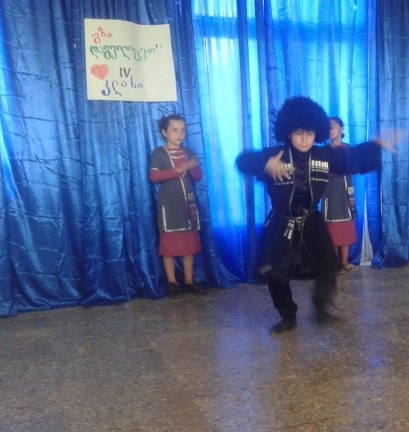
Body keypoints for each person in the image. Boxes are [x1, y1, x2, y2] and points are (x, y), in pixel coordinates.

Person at [236, 96, 383, 335]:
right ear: (288, 132)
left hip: (312, 220)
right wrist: (265, 166)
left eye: (310, 133)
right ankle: (288, 315)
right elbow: (243, 161)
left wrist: (375, 146)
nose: (305, 139)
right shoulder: (275, 154)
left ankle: (321, 307)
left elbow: (352, 159)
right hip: (281, 222)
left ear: (317, 133)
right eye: (299, 133)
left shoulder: (325, 155)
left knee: (329, 265)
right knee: (274, 273)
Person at [149, 114, 204, 295]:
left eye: (182, 130)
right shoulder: (159, 153)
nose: (179, 134)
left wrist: (192, 168)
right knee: (169, 245)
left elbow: (197, 177)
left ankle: (189, 281)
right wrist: (181, 168)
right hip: (169, 205)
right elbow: (154, 177)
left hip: (187, 204)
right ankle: (171, 282)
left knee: (189, 243)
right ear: (164, 132)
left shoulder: (188, 153)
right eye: (174, 130)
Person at [322, 116, 359, 273]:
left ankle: (345, 262)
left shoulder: (349, 149)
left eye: (334, 126)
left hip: (346, 192)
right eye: (328, 127)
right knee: (333, 229)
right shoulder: (324, 151)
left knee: (346, 228)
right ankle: (335, 264)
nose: (331, 130)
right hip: (331, 193)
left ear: (341, 128)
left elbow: (355, 167)